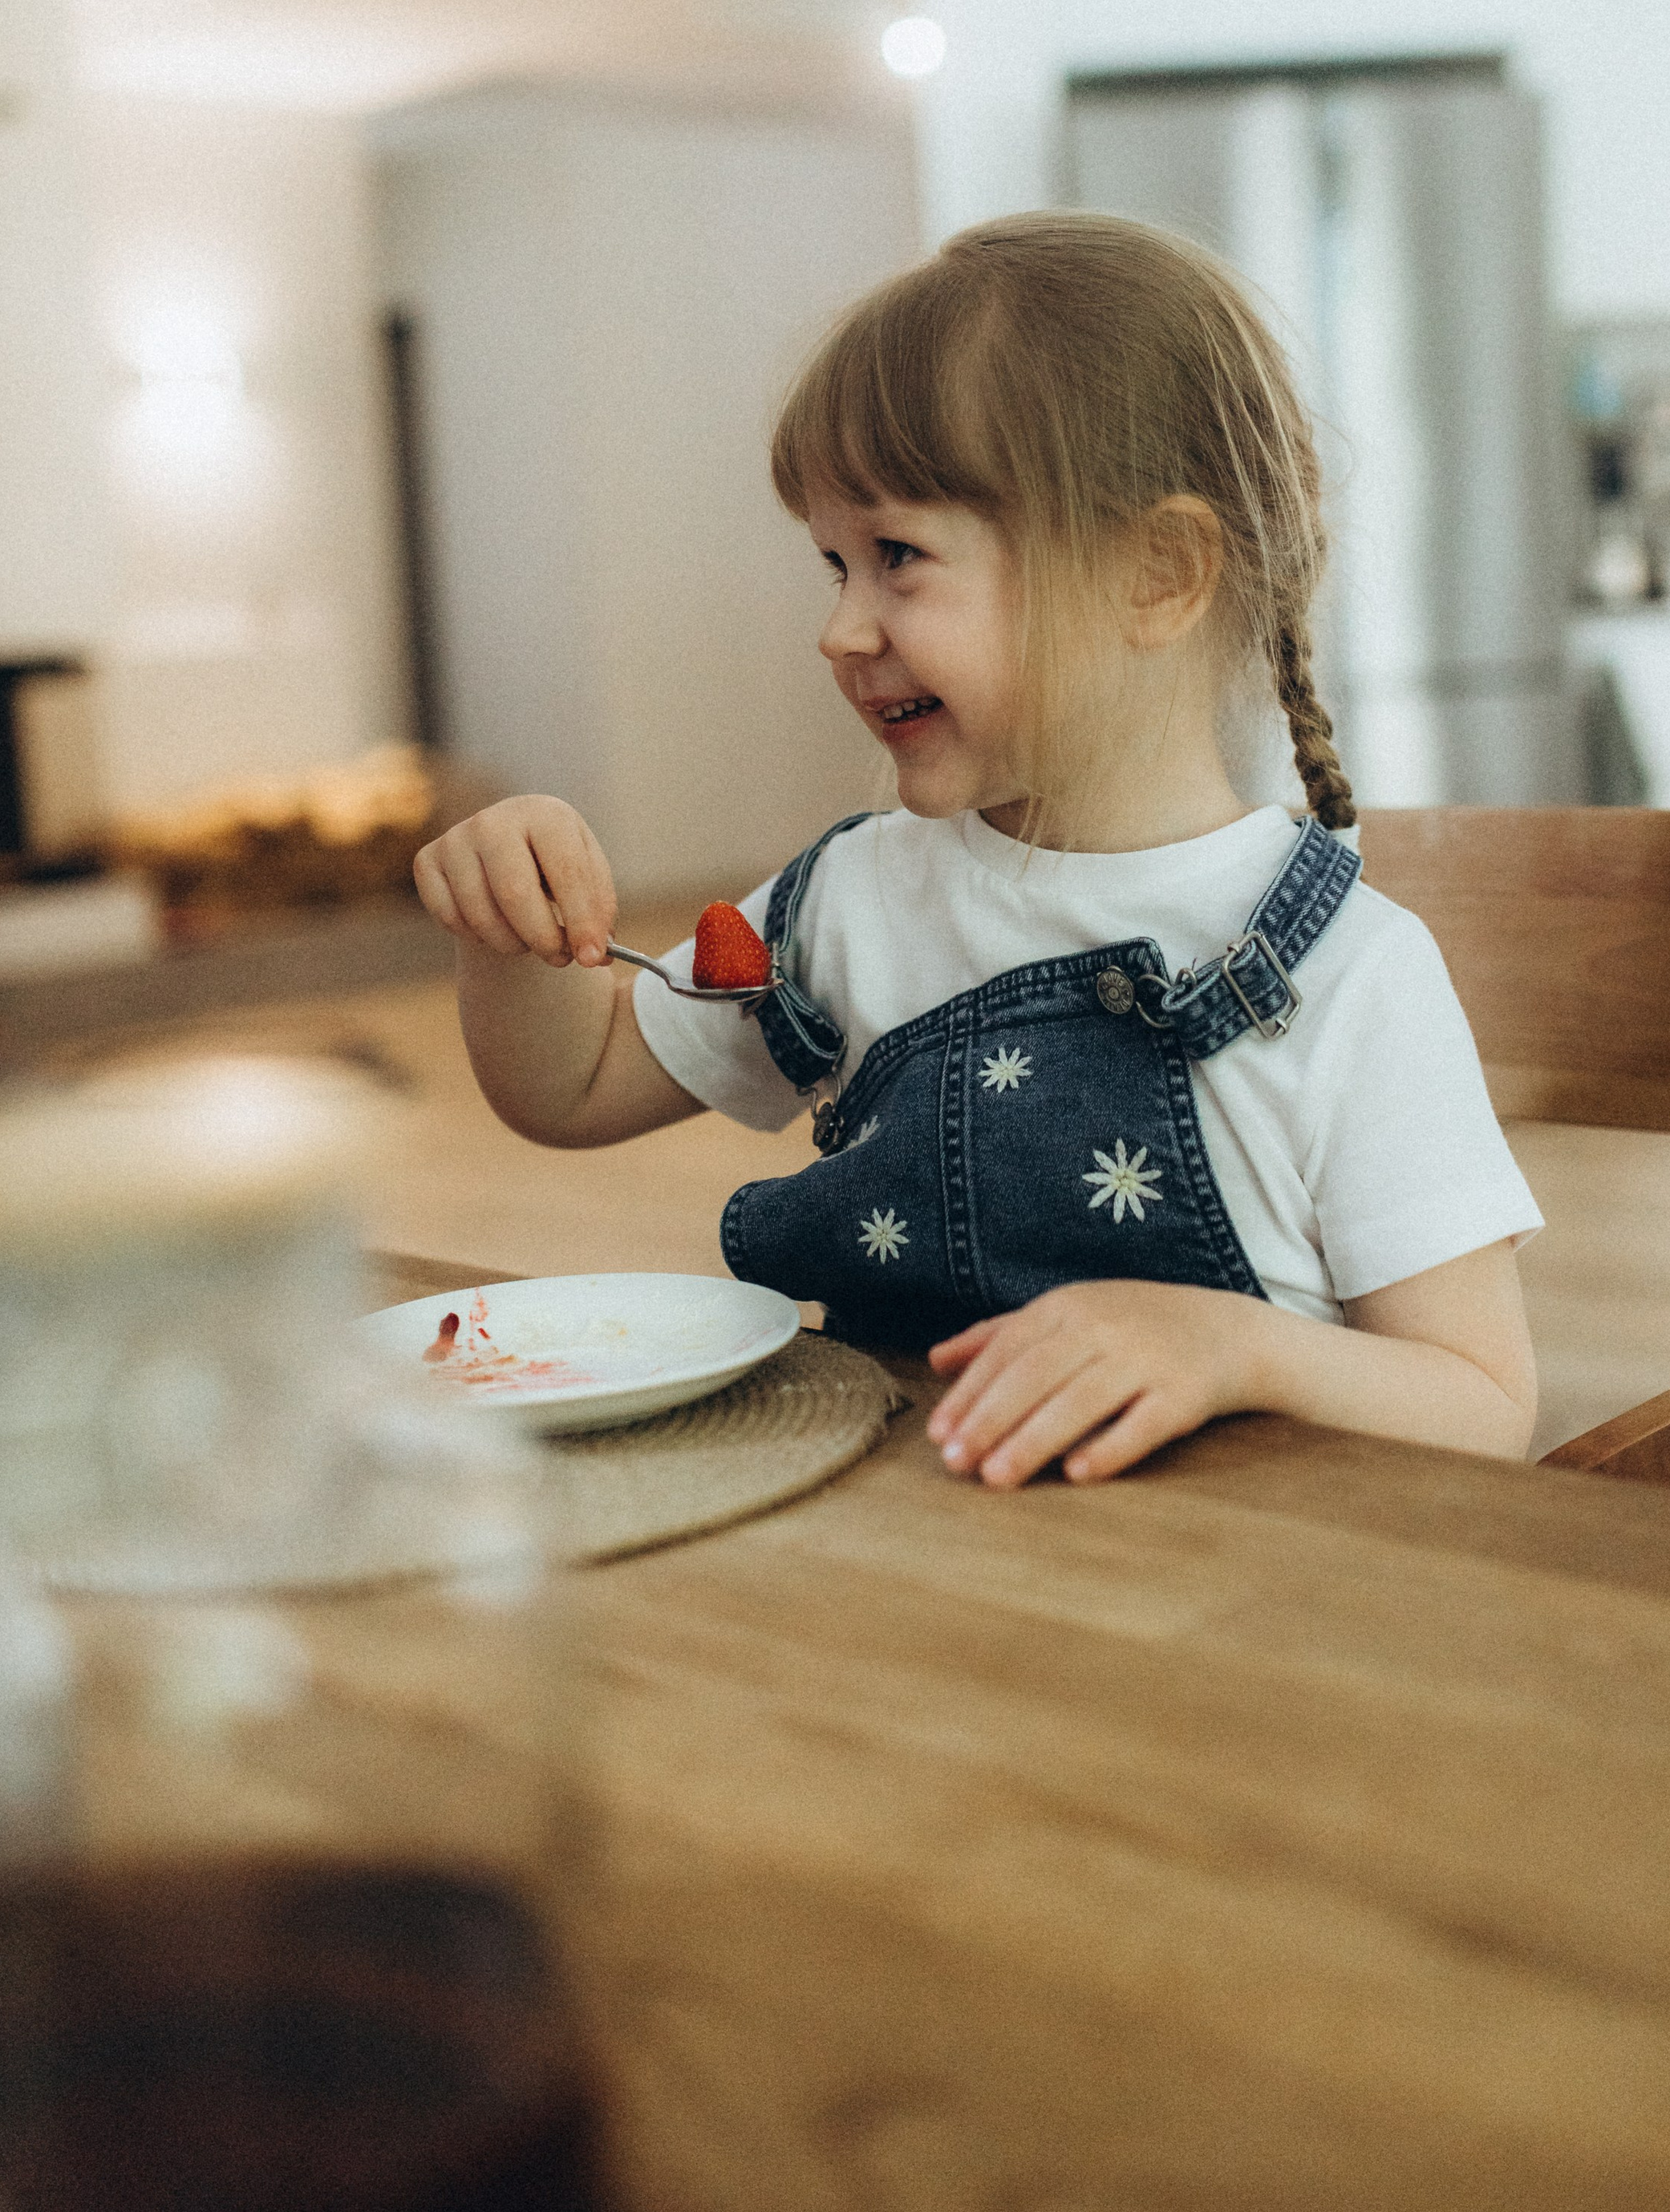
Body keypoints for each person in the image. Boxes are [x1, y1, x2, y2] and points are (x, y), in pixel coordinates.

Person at [415, 212, 1540, 1488]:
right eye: (832, 564)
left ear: (1156, 575)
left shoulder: (1351, 974)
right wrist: (509, 930)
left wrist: (1235, 1349)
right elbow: (573, 1088)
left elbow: (1483, 1403)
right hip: (919, 1559)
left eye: (898, 557)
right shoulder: (854, 895)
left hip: (1243, 1603)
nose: (841, 628)